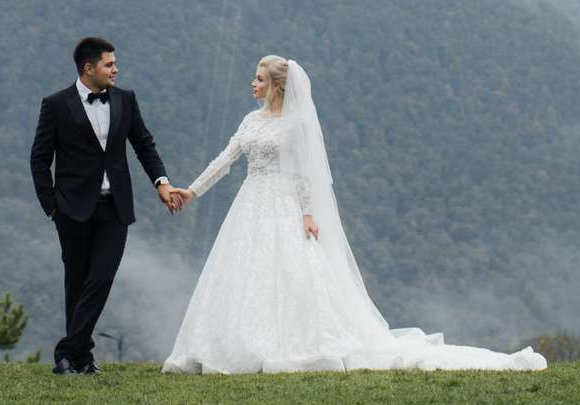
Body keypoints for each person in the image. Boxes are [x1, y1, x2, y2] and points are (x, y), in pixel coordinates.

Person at [162, 55, 546, 374]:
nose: (253, 84)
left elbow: (302, 176)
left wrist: (308, 214)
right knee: (246, 272)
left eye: (259, 79)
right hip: (250, 202)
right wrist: (191, 191)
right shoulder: (250, 120)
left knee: (290, 273)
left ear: (277, 86)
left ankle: (293, 345)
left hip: (283, 203)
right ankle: (234, 345)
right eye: (254, 78)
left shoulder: (294, 125)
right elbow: (226, 159)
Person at [29, 35, 181, 374]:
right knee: (77, 281)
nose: (116, 69)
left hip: (115, 208)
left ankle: (66, 351)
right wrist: (51, 206)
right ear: (88, 68)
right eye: (109, 64)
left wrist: (162, 182)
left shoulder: (126, 100)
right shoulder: (55, 104)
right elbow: (39, 159)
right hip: (71, 210)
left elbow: (144, 144)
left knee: (101, 277)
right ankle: (81, 359)